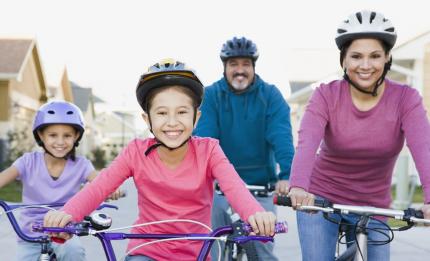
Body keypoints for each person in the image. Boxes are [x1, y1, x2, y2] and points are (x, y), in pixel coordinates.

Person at [43, 58, 277, 261]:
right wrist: (68, 214)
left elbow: (234, 188)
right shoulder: (135, 151)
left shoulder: (209, 150)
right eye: (162, 113)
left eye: (182, 112)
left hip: (198, 251)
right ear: (147, 119)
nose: (172, 122)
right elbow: (99, 187)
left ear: (196, 117)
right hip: (146, 250)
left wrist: (255, 214)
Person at [288, 10, 430, 261]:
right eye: (356, 56)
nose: (365, 65)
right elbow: (307, 142)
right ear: (343, 60)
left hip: (373, 206)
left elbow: (424, 148)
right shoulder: (326, 95)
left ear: (387, 58)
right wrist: (298, 186)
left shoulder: (406, 99)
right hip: (320, 200)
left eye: (375, 56)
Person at [193, 37, 294, 260]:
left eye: (245, 64)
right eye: (234, 64)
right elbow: (205, 140)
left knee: (262, 252)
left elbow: (281, 137)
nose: (240, 70)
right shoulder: (210, 95)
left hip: (259, 187)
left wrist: (286, 175)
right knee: (212, 250)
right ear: (225, 67)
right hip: (219, 188)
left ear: (253, 67)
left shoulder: (270, 96)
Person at [0, 101, 121, 261]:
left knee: (74, 252)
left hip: (65, 231)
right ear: (41, 136)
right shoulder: (28, 162)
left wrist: (111, 189)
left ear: (76, 136)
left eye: (67, 135)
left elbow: (100, 181)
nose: (60, 142)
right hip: (30, 234)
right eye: (52, 135)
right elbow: (4, 176)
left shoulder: (81, 165)